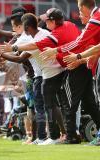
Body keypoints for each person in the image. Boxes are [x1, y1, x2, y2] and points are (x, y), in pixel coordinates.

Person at [0, 8, 82, 145]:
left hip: (49, 74)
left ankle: (54, 136)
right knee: (58, 105)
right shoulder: (43, 33)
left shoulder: (38, 39)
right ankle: (67, 134)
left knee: (50, 106)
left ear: (26, 27)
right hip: (56, 72)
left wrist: (4, 52)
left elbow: (21, 57)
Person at [41, 0, 100, 145]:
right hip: (84, 66)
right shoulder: (71, 25)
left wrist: (57, 51)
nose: (79, 16)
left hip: (76, 68)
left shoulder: (94, 20)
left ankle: (71, 135)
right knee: (89, 102)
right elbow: (92, 46)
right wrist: (81, 58)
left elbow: (79, 43)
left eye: (47, 21)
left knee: (68, 102)